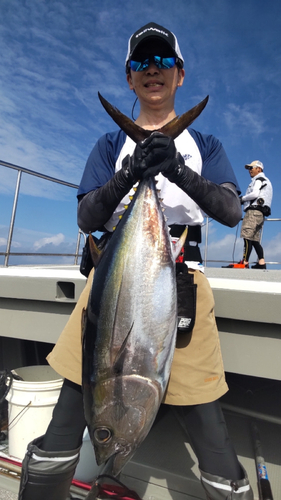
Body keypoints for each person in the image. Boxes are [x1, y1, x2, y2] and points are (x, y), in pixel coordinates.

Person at [18, 22, 253, 500]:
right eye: (142, 62)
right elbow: (87, 216)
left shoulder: (205, 146)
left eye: (164, 61)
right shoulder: (110, 146)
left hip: (185, 285)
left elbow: (230, 211)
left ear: (180, 74)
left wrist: (176, 168)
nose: (153, 69)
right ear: (129, 78)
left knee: (211, 431)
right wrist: (131, 171)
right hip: (112, 286)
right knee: (66, 418)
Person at [240, 160, 273, 269]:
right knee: (254, 239)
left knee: (247, 236)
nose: (249, 170)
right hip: (261, 214)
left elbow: (255, 194)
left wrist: (242, 199)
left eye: (251, 168)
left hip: (253, 212)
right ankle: (261, 263)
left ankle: (244, 263)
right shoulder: (268, 181)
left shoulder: (259, 179)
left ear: (259, 169)